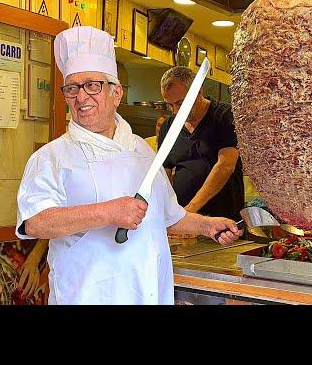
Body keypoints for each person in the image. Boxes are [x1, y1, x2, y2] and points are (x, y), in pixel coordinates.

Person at [16, 26, 242, 305]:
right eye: (72, 88)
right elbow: (35, 222)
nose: (82, 97)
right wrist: (108, 212)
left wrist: (208, 226)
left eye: (93, 85)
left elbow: (169, 216)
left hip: (148, 293)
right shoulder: (52, 157)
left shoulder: (143, 152)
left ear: (117, 93)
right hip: (89, 295)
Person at [159, 66, 244, 222]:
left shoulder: (225, 116)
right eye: (170, 105)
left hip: (223, 221)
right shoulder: (168, 126)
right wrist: (171, 212)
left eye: (180, 103)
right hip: (184, 222)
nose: (176, 111)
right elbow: (165, 173)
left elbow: (225, 165)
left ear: (198, 91)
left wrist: (191, 209)